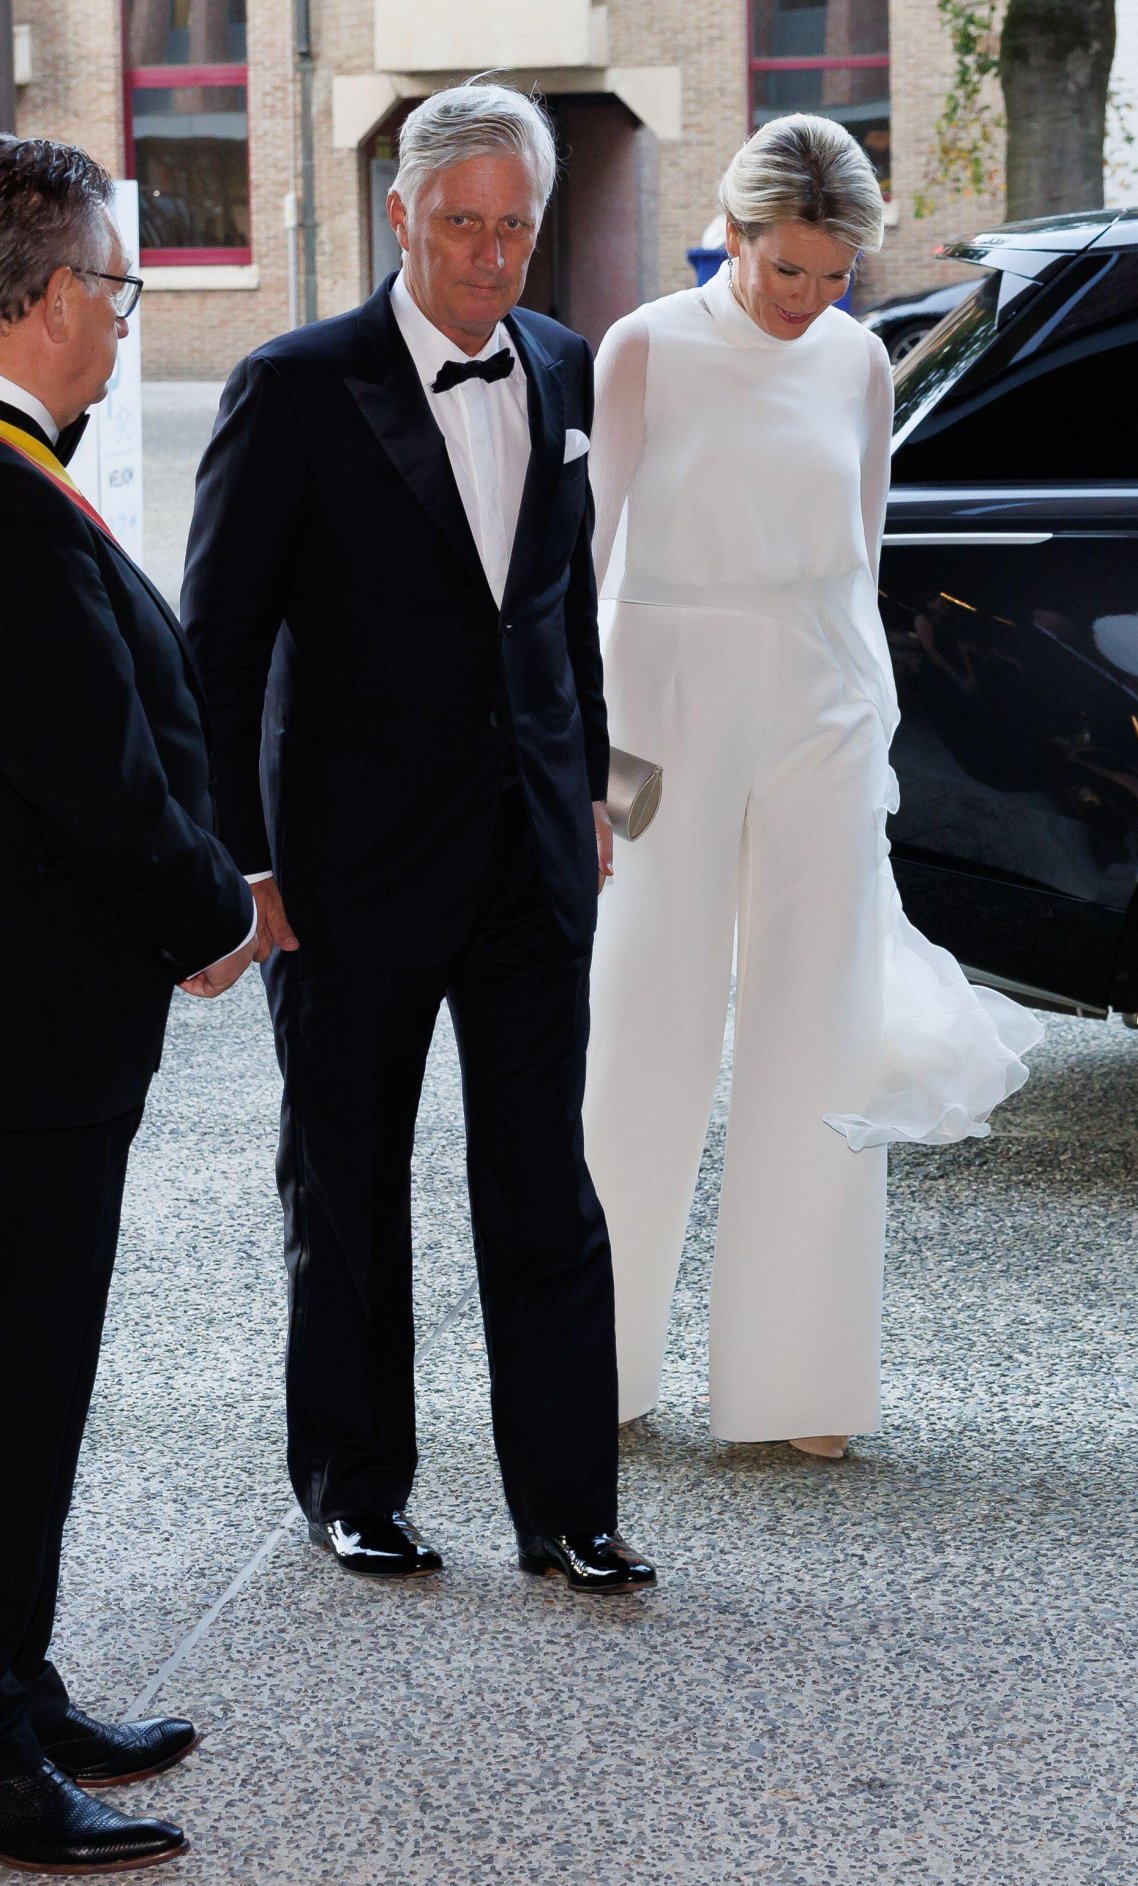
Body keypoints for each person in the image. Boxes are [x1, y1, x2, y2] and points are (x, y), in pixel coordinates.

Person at [182, 81, 654, 1595]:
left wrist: (584, 779)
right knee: (348, 1184)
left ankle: (572, 1506)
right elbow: (218, 653)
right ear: (400, 217)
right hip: (342, 870)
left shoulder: (566, 367)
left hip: (527, 855)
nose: (490, 255)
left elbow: (560, 602)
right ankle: (354, 1484)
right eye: (462, 224)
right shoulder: (293, 384)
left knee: (544, 1184)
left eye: (515, 227)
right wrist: (245, 869)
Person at [583, 114, 1043, 1454]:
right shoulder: (645, 351)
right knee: (641, 1027)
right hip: (659, 710)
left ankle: (798, 1387)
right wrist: (583, 769)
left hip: (820, 710)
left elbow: (861, 558)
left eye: (835, 274)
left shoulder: (858, 365)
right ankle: (595, 1364)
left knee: (815, 1032)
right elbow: (586, 572)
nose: (812, 300)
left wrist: (870, 738)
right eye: (789, 269)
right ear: (732, 234)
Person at [0, 137, 256, 1874]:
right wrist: (211, 913)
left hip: (50, 1021)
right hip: (29, 1033)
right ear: (43, 293)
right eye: (116, 285)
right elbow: (84, 767)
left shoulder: (32, 470)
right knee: (15, 1384)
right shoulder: (6, 498)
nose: (124, 319)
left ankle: (15, 1681)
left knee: (36, 1377)